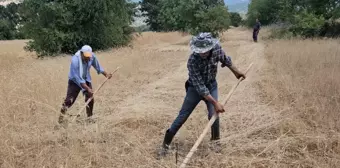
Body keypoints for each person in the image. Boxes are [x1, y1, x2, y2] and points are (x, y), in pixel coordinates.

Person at [157, 32, 246, 158]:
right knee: (182, 116)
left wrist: (236, 72)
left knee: (213, 115)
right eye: (200, 51)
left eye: (205, 51)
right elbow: (200, 88)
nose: (202, 53)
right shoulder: (192, 61)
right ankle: (165, 147)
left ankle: (216, 143)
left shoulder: (216, 49)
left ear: (210, 47)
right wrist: (215, 102)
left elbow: (225, 60)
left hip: (211, 85)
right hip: (195, 89)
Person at [58, 45, 112, 124]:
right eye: (86, 56)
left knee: (90, 98)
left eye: (89, 56)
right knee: (69, 101)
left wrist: (106, 74)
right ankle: (60, 120)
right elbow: (78, 79)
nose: (88, 58)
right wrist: (87, 88)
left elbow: (98, 66)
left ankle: (89, 118)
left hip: (86, 79)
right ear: (81, 53)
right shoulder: (75, 61)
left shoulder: (91, 56)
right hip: (75, 81)